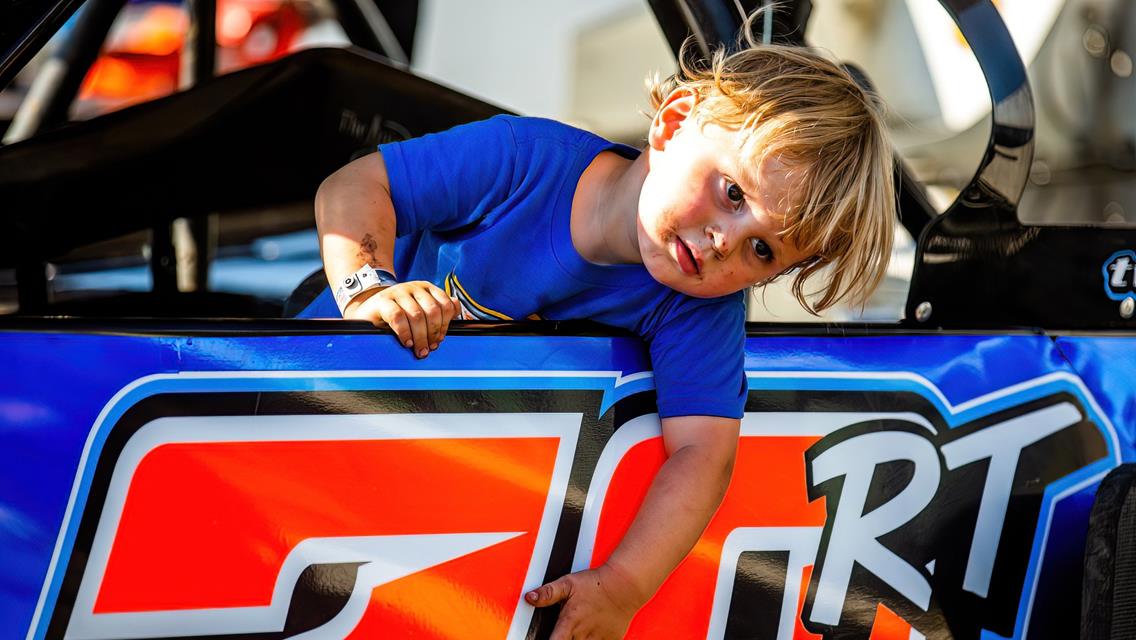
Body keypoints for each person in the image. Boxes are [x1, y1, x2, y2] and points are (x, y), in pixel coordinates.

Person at [305, 23, 895, 640]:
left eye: (764, 251)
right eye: (731, 192)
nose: (726, 242)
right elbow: (355, 184)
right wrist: (368, 288)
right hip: (299, 396)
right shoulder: (523, 159)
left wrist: (623, 586)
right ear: (672, 123)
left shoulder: (698, 306)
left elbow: (703, 456)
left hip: (417, 482)